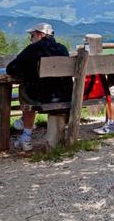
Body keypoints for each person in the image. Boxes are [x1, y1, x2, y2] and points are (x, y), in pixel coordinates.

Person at [6, 23, 70, 152]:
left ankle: (26, 133)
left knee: (25, 89)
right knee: (32, 89)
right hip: (64, 96)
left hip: (43, 97)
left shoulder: (34, 48)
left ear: (41, 35)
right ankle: (24, 130)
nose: (31, 38)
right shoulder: (63, 49)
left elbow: (11, 68)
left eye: (32, 35)